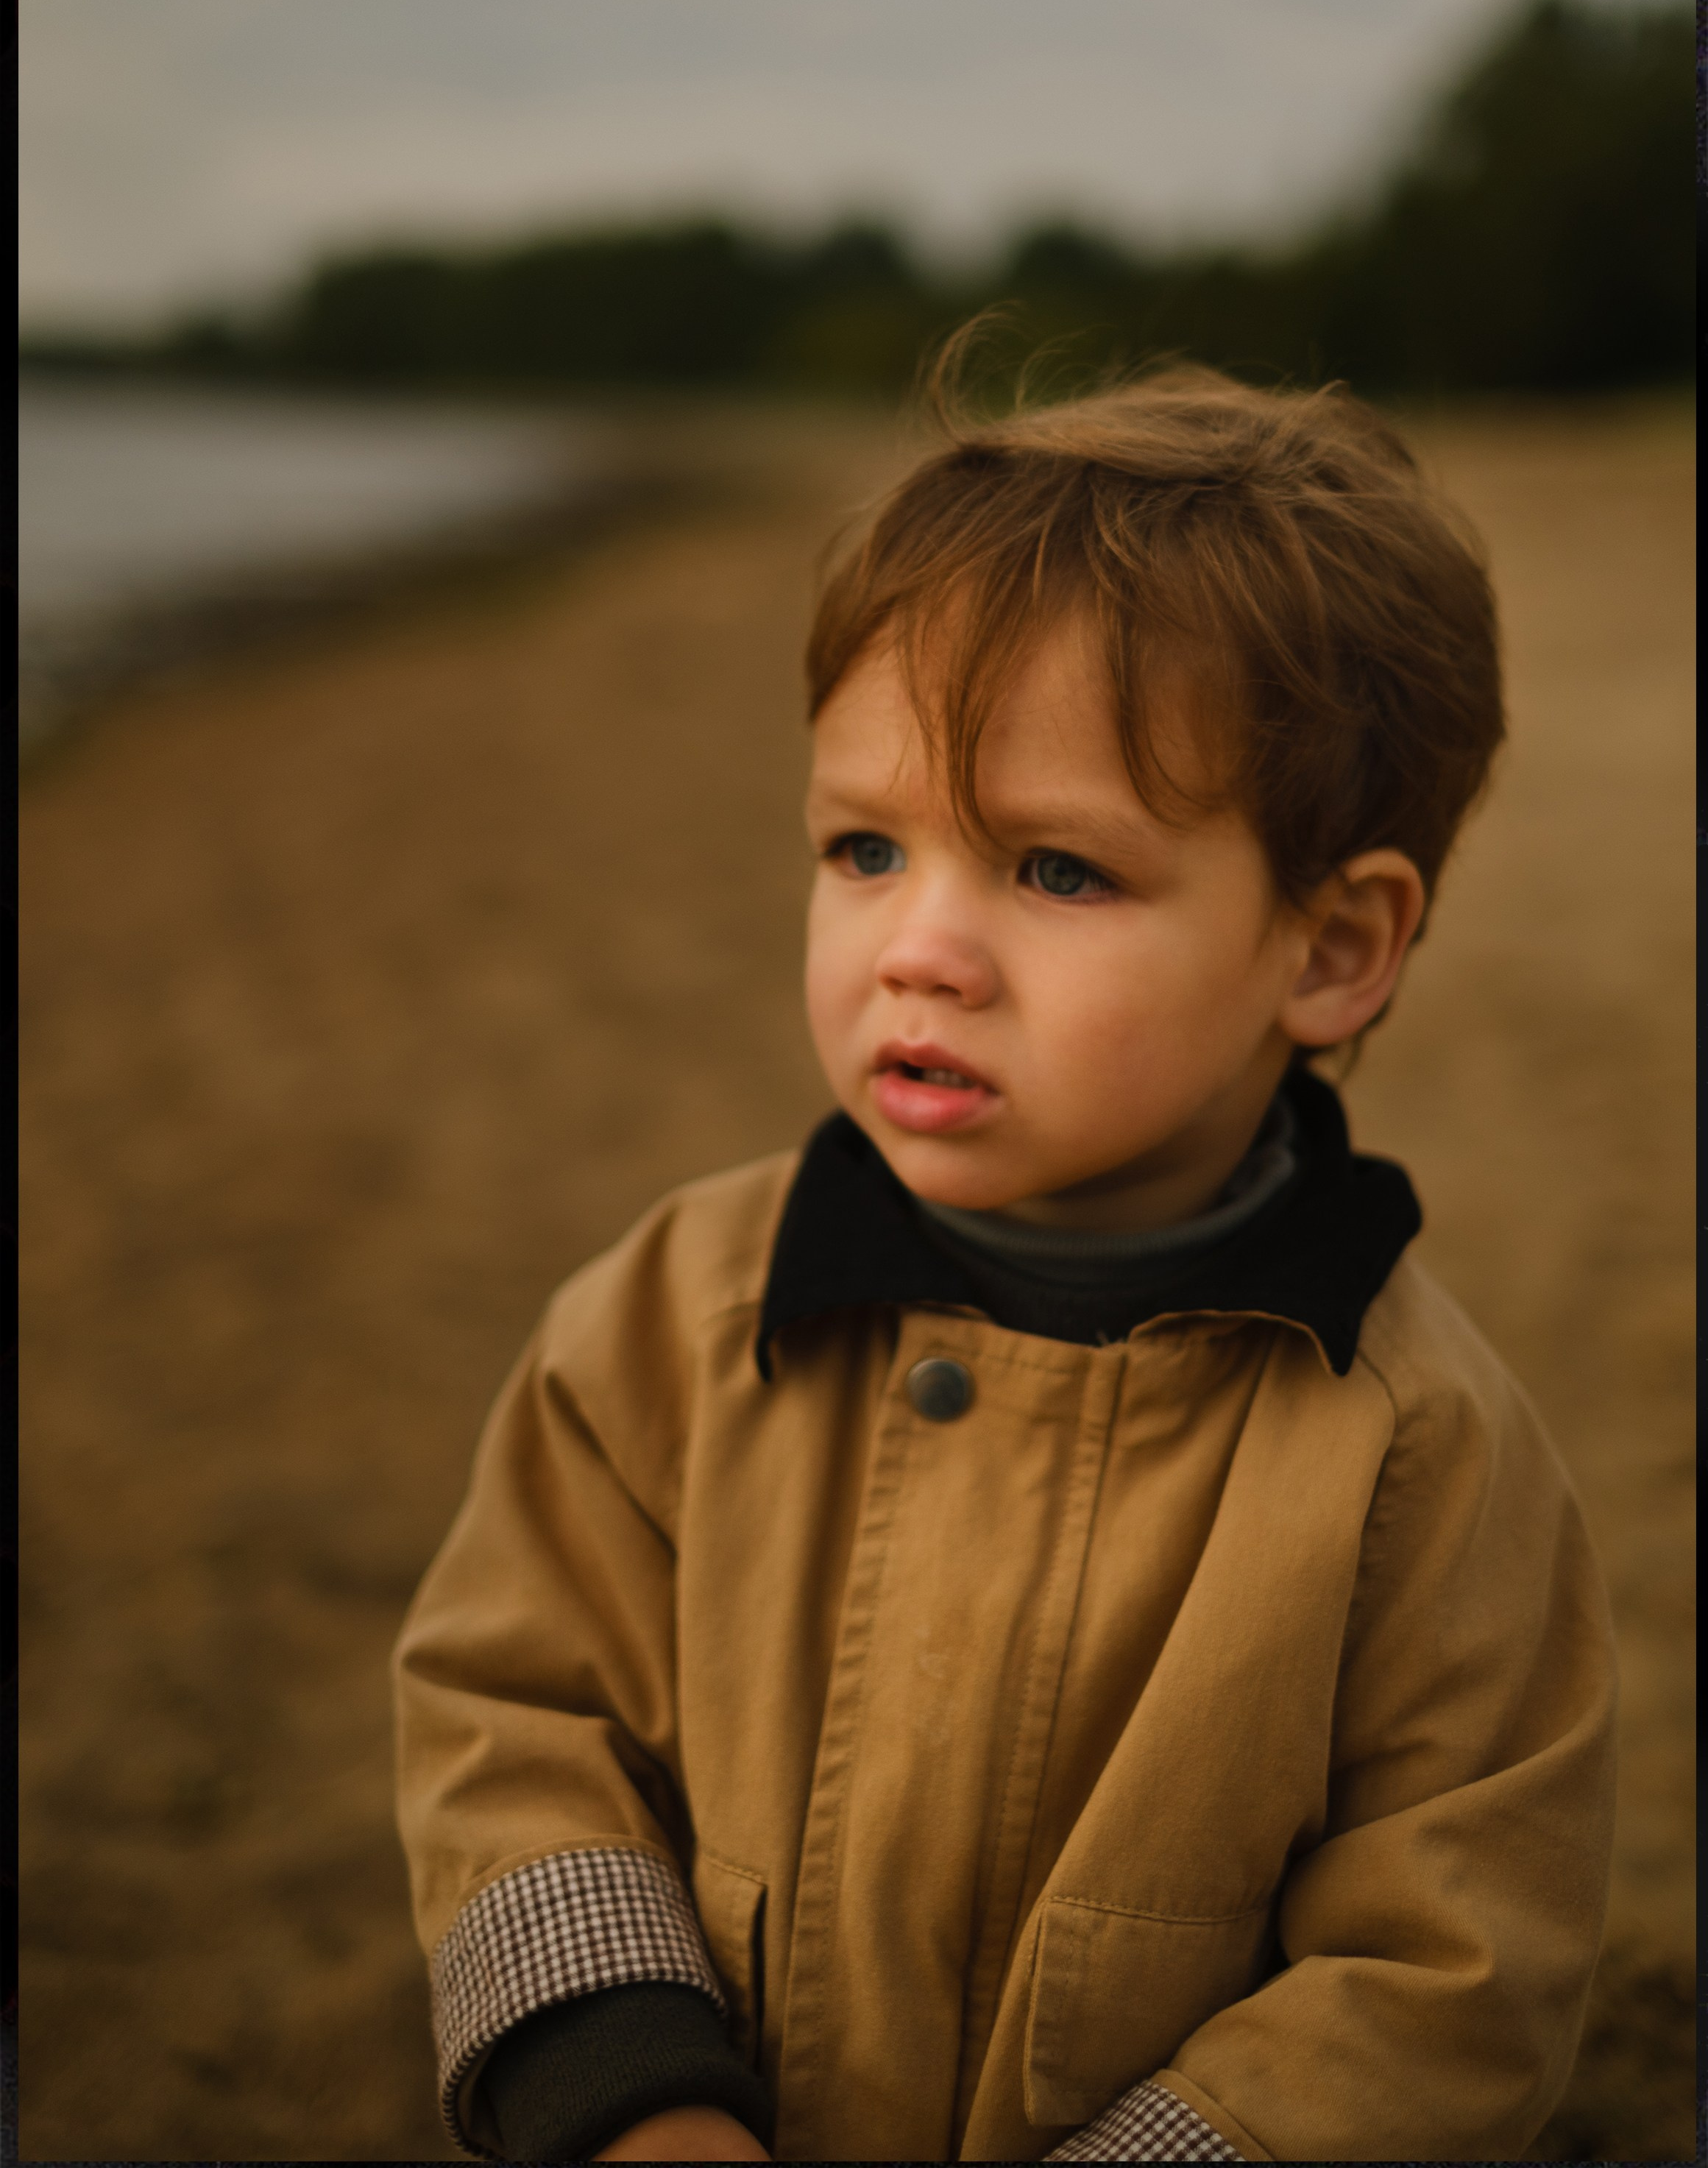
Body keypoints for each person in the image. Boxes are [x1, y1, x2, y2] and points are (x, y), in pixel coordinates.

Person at [391, 350, 1617, 2164]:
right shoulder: (669, 1322)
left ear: (1334, 945)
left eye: (1055, 871)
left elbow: (1454, 1969)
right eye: (866, 847)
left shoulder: (1419, 1458)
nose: (923, 949)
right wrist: (635, 2109)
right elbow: (515, 1723)